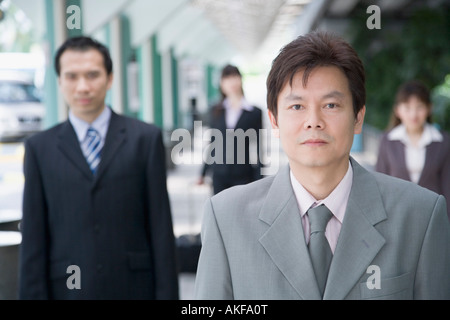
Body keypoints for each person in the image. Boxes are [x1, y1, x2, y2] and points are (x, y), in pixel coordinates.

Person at [194, 31, 450, 300]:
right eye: (297, 107)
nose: (313, 121)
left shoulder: (420, 216)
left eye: (330, 104)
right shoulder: (226, 219)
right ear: (274, 121)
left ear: (358, 117)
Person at [18, 36, 179, 300]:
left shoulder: (145, 139)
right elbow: (34, 238)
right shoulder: (39, 148)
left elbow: (160, 228)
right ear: (59, 81)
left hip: (134, 289)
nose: (83, 86)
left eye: (92, 75)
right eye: (72, 76)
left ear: (110, 78)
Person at [375, 80, 450, 219]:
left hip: (432, 217)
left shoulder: (443, 142)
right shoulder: (387, 141)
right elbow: (379, 184)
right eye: (407, 107)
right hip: (396, 217)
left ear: (429, 108)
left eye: (419, 107)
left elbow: (447, 186)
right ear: (397, 110)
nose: (413, 114)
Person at [197, 64, 263, 195]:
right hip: (219, 173)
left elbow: (259, 147)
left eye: (234, 77)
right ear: (221, 84)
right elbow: (212, 143)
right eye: (227, 78)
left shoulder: (254, 112)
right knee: (219, 212)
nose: (231, 82)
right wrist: (203, 173)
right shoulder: (215, 111)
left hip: (244, 174)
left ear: (240, 80)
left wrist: (259, 178)